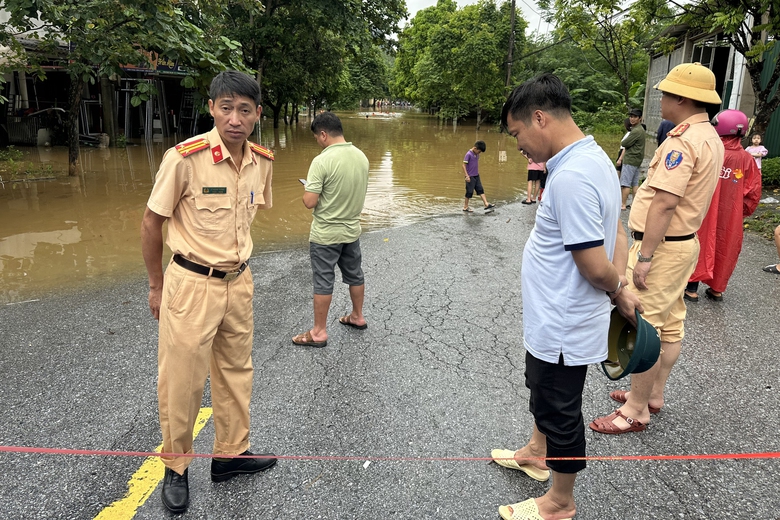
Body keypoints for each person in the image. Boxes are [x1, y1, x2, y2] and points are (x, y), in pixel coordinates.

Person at [493, 73, 641, 520]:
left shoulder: (572, 176)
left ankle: (560, 501)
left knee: (558, 408)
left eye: (517, 134)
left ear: (539, 118)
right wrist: (620, 284)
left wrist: (618, 288)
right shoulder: (593, 158)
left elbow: (594, 265)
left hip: (563, 323)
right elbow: (616, 231)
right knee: (541, 390)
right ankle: (536, 452)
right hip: (555, 318)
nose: (518, 145)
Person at [140, 71, 277, 514]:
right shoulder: (184, 159)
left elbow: (245, 220)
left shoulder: (262, 162)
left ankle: (230, 455)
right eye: (226, 108)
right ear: (212, 108)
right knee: (182, 382)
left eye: (244, 110)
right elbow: (151, 223)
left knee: (237, 371)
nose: (235, 119)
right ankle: (176, 467)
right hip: (191, 285)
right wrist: (156, 285)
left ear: (257, 114)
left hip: (239, 282)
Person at [589, 62, 725, 435]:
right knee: (671, 323)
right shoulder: (709, 136)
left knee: (644, 323)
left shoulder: (682, 141)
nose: (661, 99)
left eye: (665, 93)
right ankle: (653, 394)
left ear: (682, 98)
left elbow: (664, 203)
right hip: (683, 245)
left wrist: (645, 257)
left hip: (661, 248)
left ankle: (636, 410)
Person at [292, 112, 369, 348]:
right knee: (355, 274)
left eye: (317, 137)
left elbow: (310, 202)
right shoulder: (361, 157)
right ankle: (357, 316)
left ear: (324, 134)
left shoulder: (322, 161)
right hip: (352, 231)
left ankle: (318, 332)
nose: (318, 141)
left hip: (326, 235)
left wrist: (309, 189)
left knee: (323, 281)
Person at [684, 110, 762, 302]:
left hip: (703, 209)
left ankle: (691, 288)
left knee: (701, 241)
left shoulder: (711, 151)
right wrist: (741, 211)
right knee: (726, 246)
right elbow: (753, 191)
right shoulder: (747, 159)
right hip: (731, 214)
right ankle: (717, 289)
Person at [618, 108, 646, 210]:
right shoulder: (641, 129)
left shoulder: (636, 131)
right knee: (635, 183)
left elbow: (624, 143)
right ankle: (634, 203)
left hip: (630, 159)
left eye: (635, 117)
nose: (632, 119)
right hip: (637, 160)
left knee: (625, 183)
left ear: (640, 118)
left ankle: (623, 204)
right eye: (631, 116)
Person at [462, 140, 495, 212]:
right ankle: (465, 207)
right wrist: (467, 176)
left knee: (480, 189)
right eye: (479, 151)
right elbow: (464, 165)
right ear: (475, 148)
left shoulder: (477, 154)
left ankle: (486, 204)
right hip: (470, 176)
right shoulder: (468, 154)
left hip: (476, 175)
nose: (479, 153)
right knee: (469, 192)